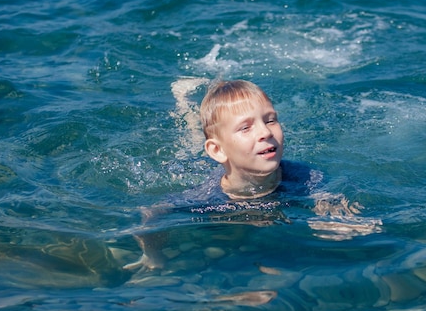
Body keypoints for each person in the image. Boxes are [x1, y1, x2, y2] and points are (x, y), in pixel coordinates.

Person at [126, 78, 382, 270]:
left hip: (226, 159)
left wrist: (339, 217)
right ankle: (182, 100)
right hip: (204, 165)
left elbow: (328, 197)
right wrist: (153, 255)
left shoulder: (304, 176)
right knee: (190, 143)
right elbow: (154, 213)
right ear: (217, 151)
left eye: (270, 120)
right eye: (246, 127)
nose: (265, 132)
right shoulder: (205, 197)